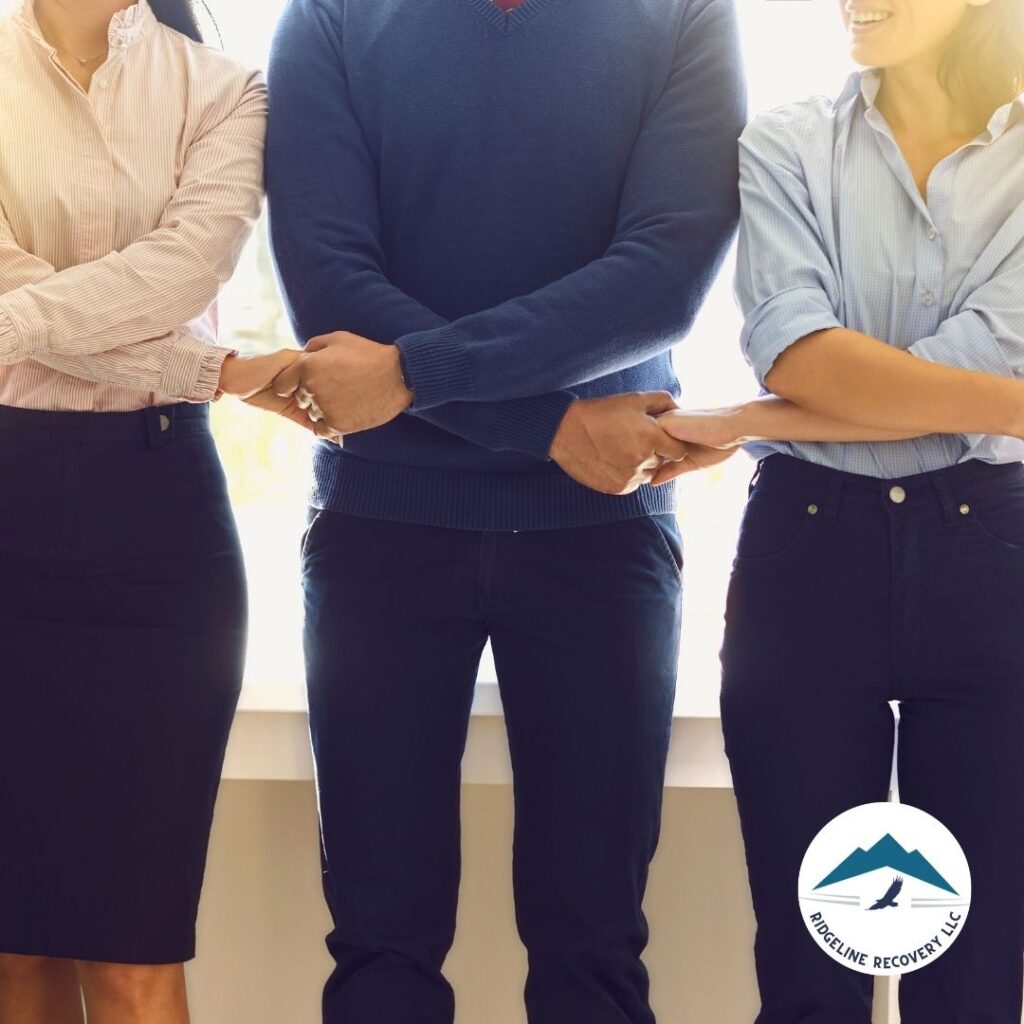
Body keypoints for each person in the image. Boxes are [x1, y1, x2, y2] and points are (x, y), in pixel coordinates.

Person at [263, 0, 746, 1020]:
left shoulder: (685, 12)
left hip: (603, 536)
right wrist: (550, 427)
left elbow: (663, 276)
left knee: (593, 949)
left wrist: (429, 375)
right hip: (381, 534)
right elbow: (329, 286)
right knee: (380, 947)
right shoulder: (332, 16)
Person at [658, 0, 1024, 1020]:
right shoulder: (783, 143)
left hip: (992, 554)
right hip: (807, 559)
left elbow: (989, 348)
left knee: (978, 973)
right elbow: (796, 348)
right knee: (811, 966)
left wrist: (745, 419)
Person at [0, 2, 325, 1022]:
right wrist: (215, 366)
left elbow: (183, 272)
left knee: (138, 954)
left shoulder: (222, 89)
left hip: (157, 528)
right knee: (12, 949)